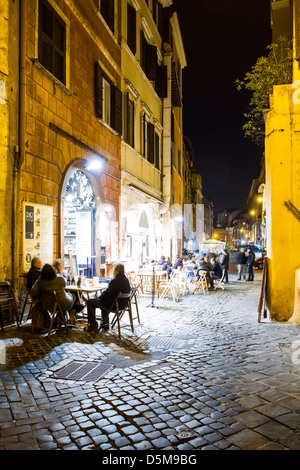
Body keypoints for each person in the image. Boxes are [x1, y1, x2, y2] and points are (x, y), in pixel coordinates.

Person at [85, 262, 131, 331]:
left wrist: (98, 298)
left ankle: (93, 325)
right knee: (104, 301)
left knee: (90, 302)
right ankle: (105, 324)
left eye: (113, 269)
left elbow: (106, 294)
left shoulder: (115, 280)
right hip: (123, 304)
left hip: (114, 305)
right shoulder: (126, 279)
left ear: (116, 270)